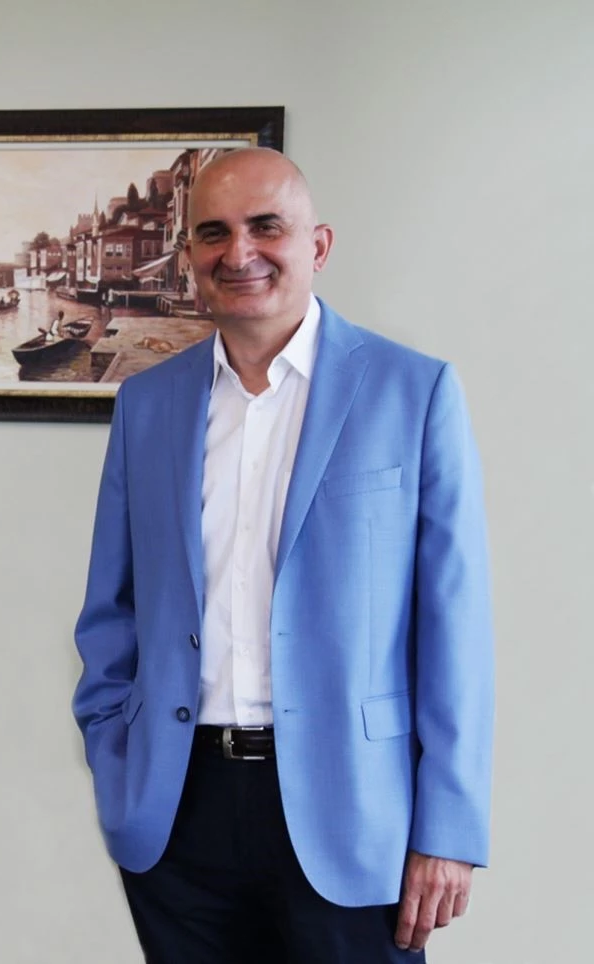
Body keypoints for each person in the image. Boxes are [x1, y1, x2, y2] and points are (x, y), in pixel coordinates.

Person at [73, 148, 494, 963]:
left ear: (318, 245)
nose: (240, 253)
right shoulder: (147, 404)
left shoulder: (414, 392)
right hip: (178, 813)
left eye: (266, 226)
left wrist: (448, 826)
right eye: (213, 233)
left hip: (354, 812)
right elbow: (111, 607)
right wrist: (114, 755)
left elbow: (456, 626)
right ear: (190, 255)